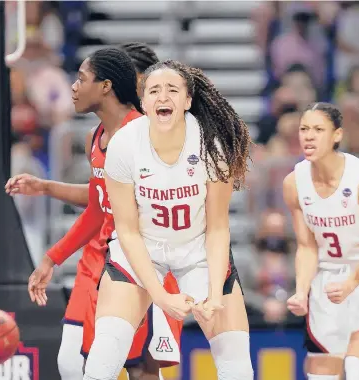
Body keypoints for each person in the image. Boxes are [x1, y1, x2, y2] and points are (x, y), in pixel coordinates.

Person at [5, 45, 181, 380]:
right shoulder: (95, 137)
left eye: (81, 78)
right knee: (76, 365)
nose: (72, 86)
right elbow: (99, 205)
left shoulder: (150, 136)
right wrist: (52, 256)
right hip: (102, 260)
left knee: (141, 368)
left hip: (145, 265)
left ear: (109, 85)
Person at [83, 60, 254, 380]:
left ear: (187, 101)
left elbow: (218, 227)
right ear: (144, 103)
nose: (163, 97)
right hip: (142, 246)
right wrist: (160, 297)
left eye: (173, 90)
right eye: (154, 91)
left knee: (236, 364)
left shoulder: (211, 145)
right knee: (103, 356)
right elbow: (128, 230)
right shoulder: (123, 144)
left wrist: (215, 295)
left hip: (198, 246)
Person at [283, 102, 359, 380]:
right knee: (321, 375)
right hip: (328, 277)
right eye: (304, 129)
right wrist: (301, 289)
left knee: (357, 368)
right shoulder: (293, 183)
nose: (308, 135)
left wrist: (351, 282)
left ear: (337, 135)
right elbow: (307, 246)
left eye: (318, 129)